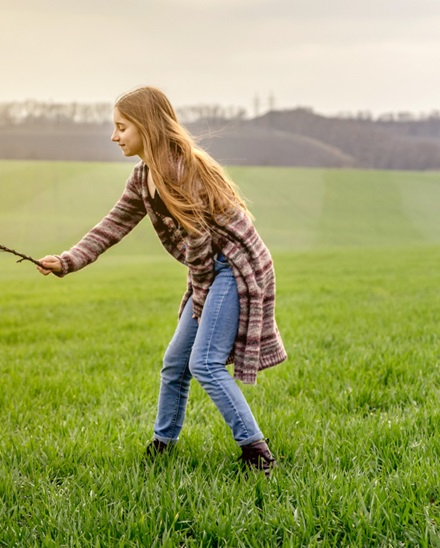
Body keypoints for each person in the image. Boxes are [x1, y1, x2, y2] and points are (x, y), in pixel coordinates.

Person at [36, 86, 287, 474]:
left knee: (204, 363)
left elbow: (201, 242)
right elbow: (113, 225)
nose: (114, 136)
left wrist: (200, 301)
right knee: (175, 363)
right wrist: (66, 261)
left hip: (234, 267)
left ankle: (257, 453)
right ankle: (162, 445)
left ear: (147, 128)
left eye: (121, 127)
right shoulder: (144, 176)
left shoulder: (182, 171)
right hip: (208, 269)